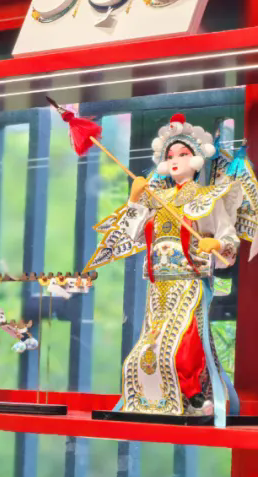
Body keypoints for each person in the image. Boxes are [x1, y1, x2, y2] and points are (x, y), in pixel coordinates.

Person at [86, 113, 256, 424]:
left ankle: (193, 395)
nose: (175, 160)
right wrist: (134, 200)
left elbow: (228, 236)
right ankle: (159, 400)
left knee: (182, 342)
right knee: (149, 346)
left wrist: (216, 244)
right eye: (170, 156)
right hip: (159, 285)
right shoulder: (156, 198)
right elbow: (132, 235)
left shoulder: (207, 197)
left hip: (189, 282)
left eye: (183, 154)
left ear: (197, 160)